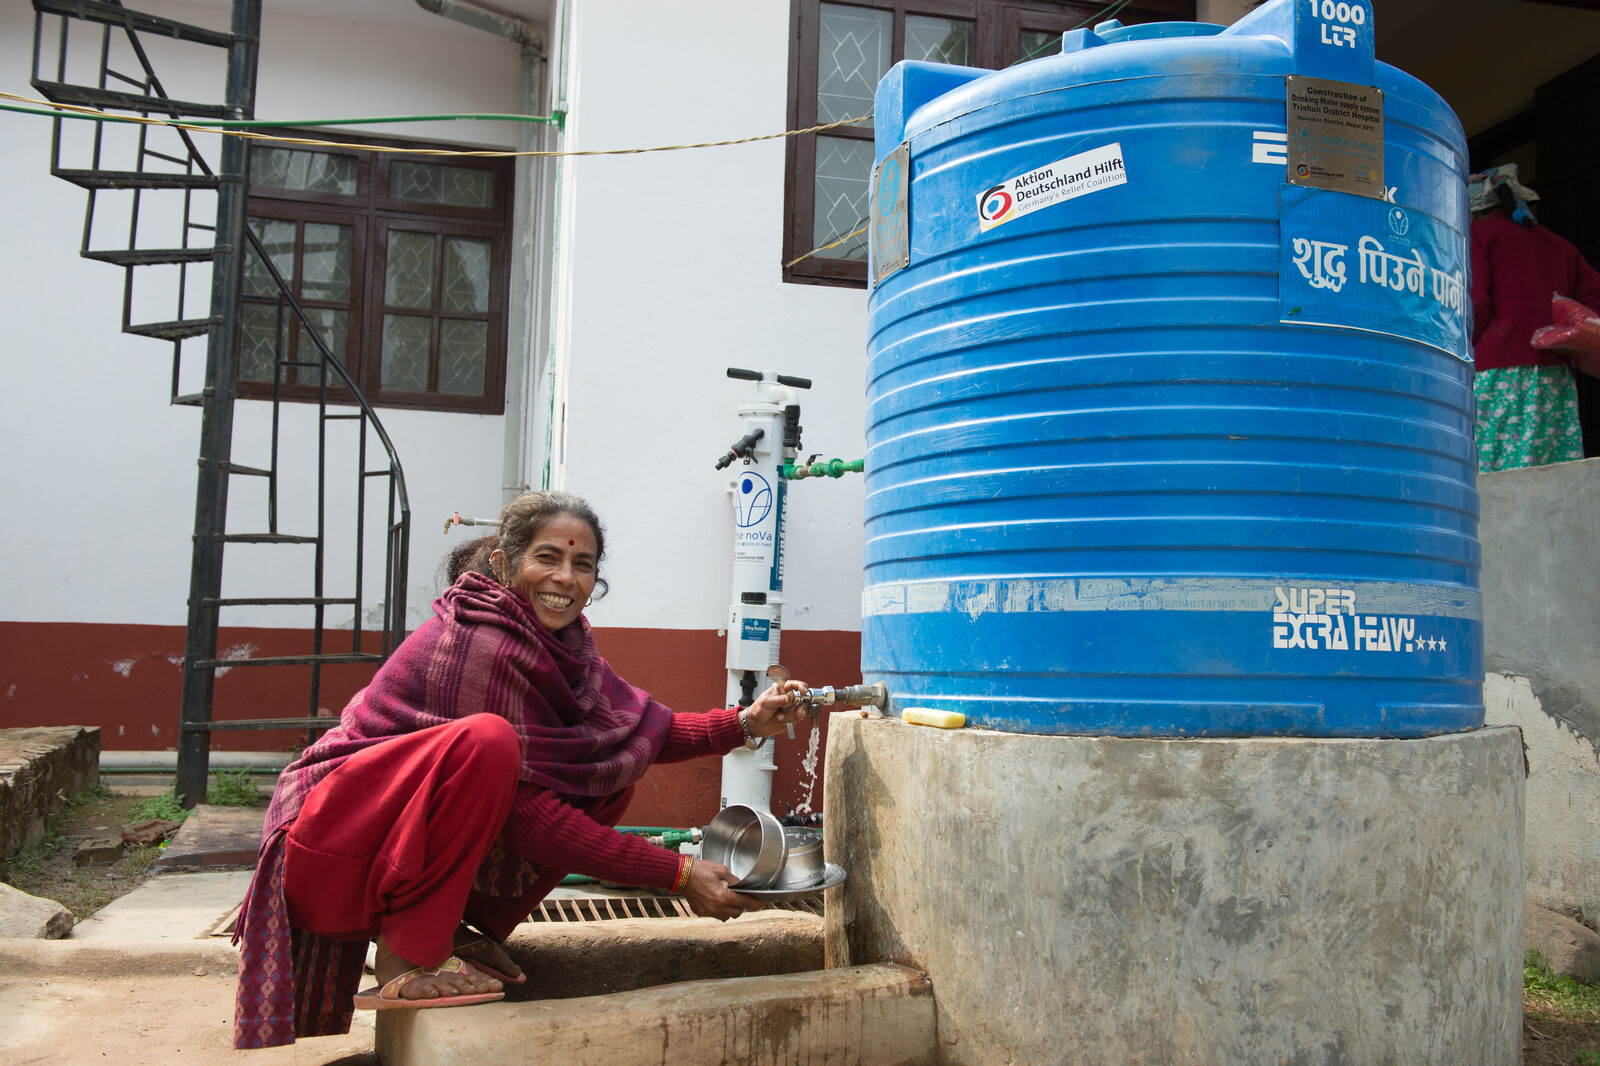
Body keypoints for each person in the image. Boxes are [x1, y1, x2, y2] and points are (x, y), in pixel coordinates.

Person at [232, 490, 809, 1048]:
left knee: (606, 768)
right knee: (490, 743)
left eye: (582, 565)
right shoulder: (479, 641)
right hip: (329, 844)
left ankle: (456, 926)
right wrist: (678, 876)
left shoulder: (565, 646)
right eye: (548, 558)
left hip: (379, 842)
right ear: (506, 563)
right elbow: (531, 821)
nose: (565, 579)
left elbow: (640, 734)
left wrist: (748, 722)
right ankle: (407, 955)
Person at [1469, 163, 1600, 471]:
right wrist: (1572, 340)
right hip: (1555, 382)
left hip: (1495, 377)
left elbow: (1476, 302)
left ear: (1472, 210)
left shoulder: (1479, 235)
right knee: (1553, 477)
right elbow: (1594, 302)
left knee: (1490, 479)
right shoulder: (1561, 247)